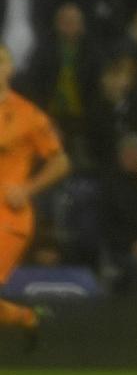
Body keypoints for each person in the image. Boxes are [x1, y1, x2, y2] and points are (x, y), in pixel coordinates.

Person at [0, 44, 70, 345]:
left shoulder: (28, 115)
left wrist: (27, 188)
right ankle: (27, 318)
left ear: (10, 68)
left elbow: (61, 161)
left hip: (8, 215)